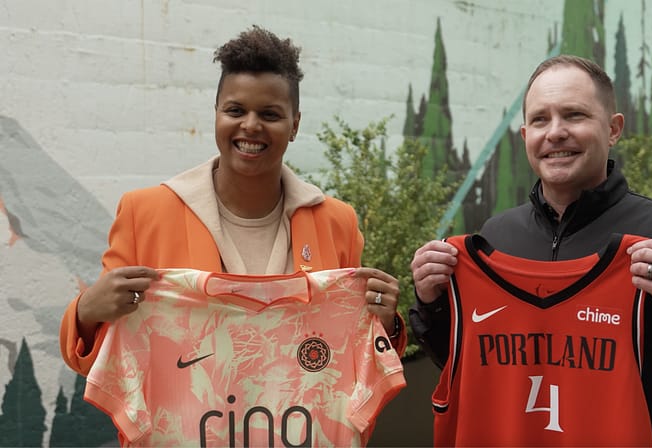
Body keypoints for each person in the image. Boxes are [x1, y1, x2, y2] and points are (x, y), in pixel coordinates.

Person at [60, 25, 405, 444]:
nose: (251, 126)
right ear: (216, 115)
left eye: (270, 114)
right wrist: (87, 313)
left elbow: (349, 356)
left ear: (295, 125)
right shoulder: (145, 213)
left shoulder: (336, 221)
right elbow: (106, 361)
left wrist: (385, 323)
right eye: (236, 110)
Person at [409, 54, 652, 446]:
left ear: (613, 129)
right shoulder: (496, 237)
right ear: (525, 135)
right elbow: (472, 367)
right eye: (540, 119)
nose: (555, 132)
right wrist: (432, 303)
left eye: (574, 115)